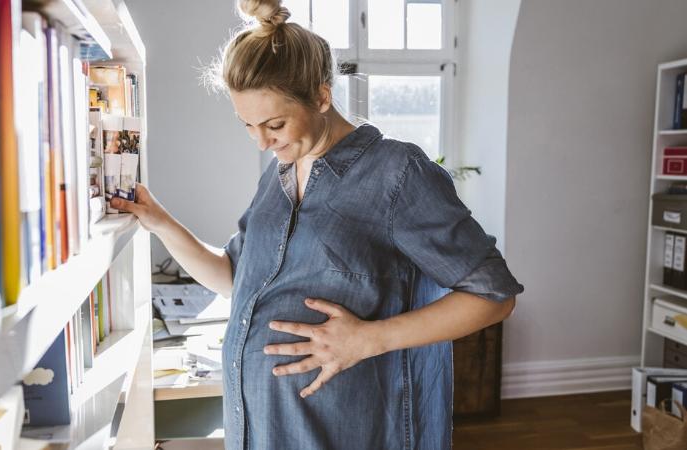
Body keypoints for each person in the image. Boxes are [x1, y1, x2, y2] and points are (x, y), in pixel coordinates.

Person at [111, 0, 524, 448]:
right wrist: (160, 222)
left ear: (322, 96)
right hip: (261, 432)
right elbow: (235, 278)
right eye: (247, 124)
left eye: (274, 123)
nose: (262, 140)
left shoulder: (396, 172)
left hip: (346, 431)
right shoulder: (280, 173)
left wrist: (366, 339)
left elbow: (493, 295)